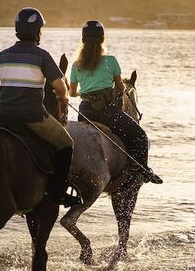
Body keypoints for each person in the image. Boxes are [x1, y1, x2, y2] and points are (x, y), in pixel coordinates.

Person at [0, 7, 82, 207]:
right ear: (38, 32)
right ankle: (58, 193)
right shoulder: (41, 56)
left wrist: (8, 92)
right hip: (32, 117)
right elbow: (59, 86)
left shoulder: (3, 55)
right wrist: (63, 97)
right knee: (67, 145)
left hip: (3, 117)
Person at [69, 20, 162, 184]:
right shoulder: (110, 61)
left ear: (83, 41)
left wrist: (85, 91)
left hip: (84, 112)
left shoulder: (76, 65)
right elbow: (120, 87)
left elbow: (72, 93)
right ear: (103, 39)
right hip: (107, 112)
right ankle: (142, 172)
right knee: (140, 136)